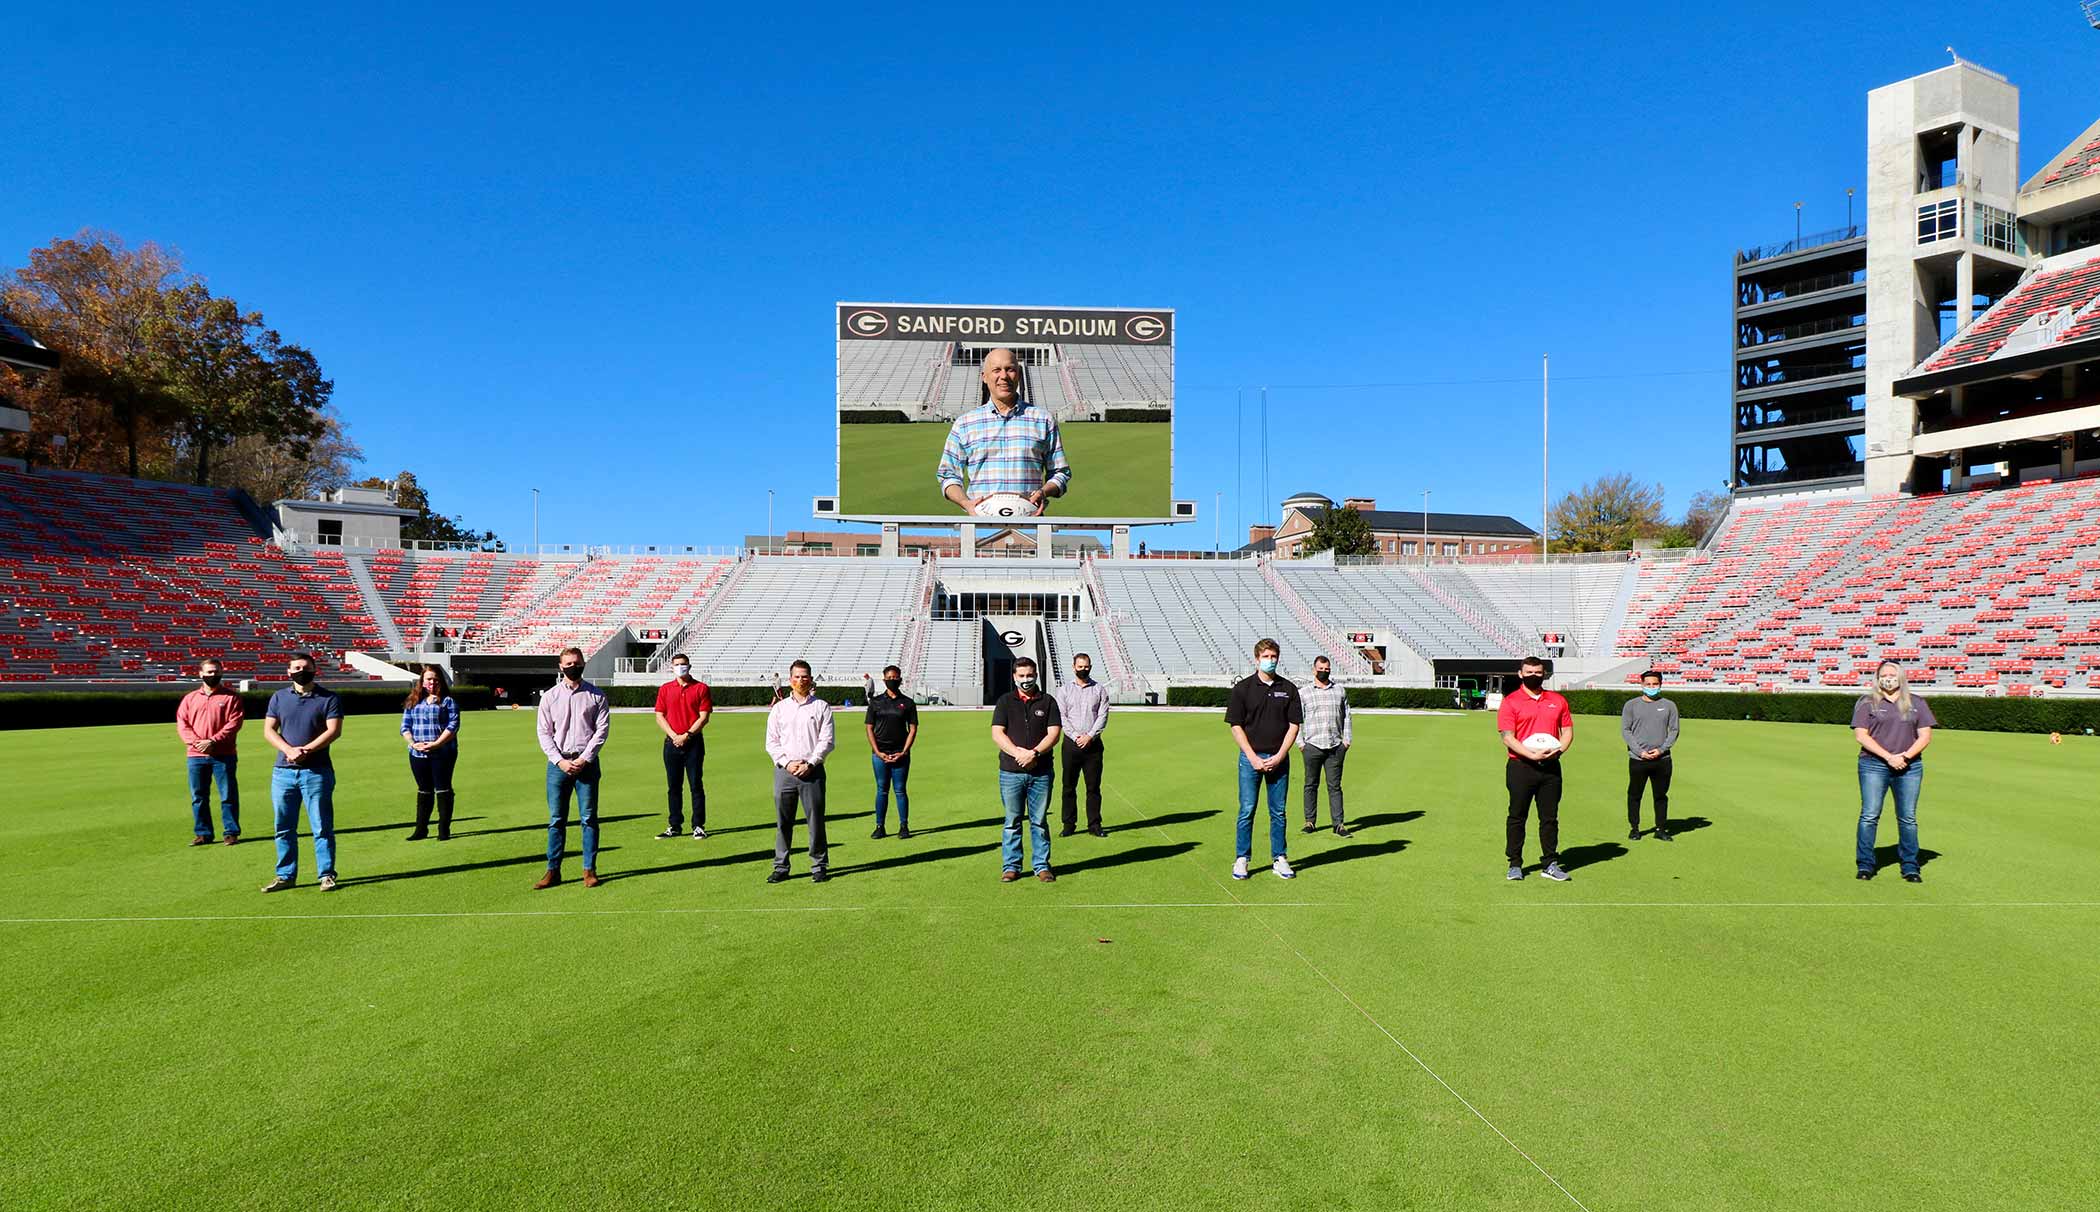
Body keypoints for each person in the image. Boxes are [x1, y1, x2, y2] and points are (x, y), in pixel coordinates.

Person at [936, 347, 1072, 514]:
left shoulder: (1043, 420)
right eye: (996, 370)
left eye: (1010, 369)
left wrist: (1044, 492)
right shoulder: (965, 424)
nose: (1004, 376)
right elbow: (947, 474)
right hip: (981, 524)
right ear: (984, 377)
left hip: (1029, 521)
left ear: (1019, 375)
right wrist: (966, 503)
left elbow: (1060, 472)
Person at [259, 653, 344, 893]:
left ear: (315, 670)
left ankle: (326, 874)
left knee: (321, 826)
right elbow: (269, 730)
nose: (301, 671)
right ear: (288, 672)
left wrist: (306, 749)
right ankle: (285, 875)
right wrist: (288, 750)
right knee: (283, 827)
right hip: (283, 772)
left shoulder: (329, 698)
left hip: (316, 771)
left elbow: (334, 731)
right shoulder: (279, 697)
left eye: (306, 667)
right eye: (296, 667)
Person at [1853, 660, 1935, 883]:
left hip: (1909, 767)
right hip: (1873, 765)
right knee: (1870, 815)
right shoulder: (1866, 702)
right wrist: (1889, 757)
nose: (1887, 678)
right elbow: (1861, 735)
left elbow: (1925, 735)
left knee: (1907, 817)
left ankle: (1910, 865)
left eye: (1892, 674)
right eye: (1883, 674)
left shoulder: (1916, 702)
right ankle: (1865, 864)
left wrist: (1905, 757)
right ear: (1877, 678)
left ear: (1901, 677)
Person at [1225, 639, 1301, 880]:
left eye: (1274, 656)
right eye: (1267, 656)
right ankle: (1242, 858)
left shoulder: (1288, 689)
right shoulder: (1243, 689)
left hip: (1279, 760)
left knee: (1278, 811)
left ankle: (1279, 858)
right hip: (1250, 760)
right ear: (1257, 659)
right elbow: (1236, 726)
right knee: (1247, 809)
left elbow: (1294, 725)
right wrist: (1252, 756)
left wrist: (1279, 756)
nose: (1271, 660)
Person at [535, 648, 611, 889]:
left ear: (583, 664)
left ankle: (589, 870)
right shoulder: (550, 697)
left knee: (588, 818)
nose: (573, 666)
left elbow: (602, 731)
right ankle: (552, 870)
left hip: (586, 764)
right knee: (556, 819)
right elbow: (544, 733)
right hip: (558, 764)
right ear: (560, 666)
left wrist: (585, 758)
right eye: (568, 663)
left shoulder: (596, 696)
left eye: (576, 663)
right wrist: (560, 761)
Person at [1497, 657, 1573, 882]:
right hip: (1521, 767)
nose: (1533, 675)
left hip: (1550, 767)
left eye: (1537, 672)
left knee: (1549, 818)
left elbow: (1567, 731)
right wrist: (1530, 754)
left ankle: (1549, 863)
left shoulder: (1557, 700)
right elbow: (1507, 737)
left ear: (1544, 674)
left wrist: (1559, 751)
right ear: (1520, 674)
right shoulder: (1511, 701)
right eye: (1528, 672)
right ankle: (1515, 863)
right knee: (1517, 816)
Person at [991, 657, 1062, 882]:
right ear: (1014, 677)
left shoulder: (1048, 701)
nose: (1026, 680)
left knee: (1039, 821)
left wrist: (1034, 753)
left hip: (1040, 772)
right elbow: (997, 733)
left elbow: (1054, 733)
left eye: (1030, 675)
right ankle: (1011, 866)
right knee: (1012, 821)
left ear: (1036, 675)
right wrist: (1018, 753)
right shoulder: (1004, 701)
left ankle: (1041, 865)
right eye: (1021, 676)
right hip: (1011, 772)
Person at [765, 660, 835, 883]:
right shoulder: (779, 708)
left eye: (804, 676)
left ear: (811, 679)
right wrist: (786, 763)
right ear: (790, 679)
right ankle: (781, 866)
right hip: (785, 771)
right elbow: (771, 742)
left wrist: (811, 763)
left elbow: (827, 740)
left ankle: (818, 865)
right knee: (783, 822)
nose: (800, 680)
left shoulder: (821, 707)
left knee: (815, 821)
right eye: (797, 676)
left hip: (812, 771)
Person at [176, 657, 244, 847]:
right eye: (209, 672)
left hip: (224, 754)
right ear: (201, 674)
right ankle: (203, 833)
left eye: (216, 672)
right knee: (198, 796)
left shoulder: (231, 697)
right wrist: (197, 743)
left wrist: (213, 740)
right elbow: (183, 724)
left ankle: (231, 832)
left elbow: (234, 724)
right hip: (196, 755)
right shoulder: (190, 699)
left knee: (228, 795)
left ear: (221, 673)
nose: (213, 675)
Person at [653, 653, 713, 840]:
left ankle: (698, 825)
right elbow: (659, 715)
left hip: (693, 743)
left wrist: (686, 735)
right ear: (672, 667)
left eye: (683, 664)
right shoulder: (665, 689)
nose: (680, 667)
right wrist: (674, 736)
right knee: (674, 786)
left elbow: (704, 717)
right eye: (677, 664)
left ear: (689, 666)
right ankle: (675, 824)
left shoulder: (701, 688)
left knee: (696, 785)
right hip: (671, 743)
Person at [399, 663, 461, 841]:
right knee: (424, 790)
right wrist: (413, 743)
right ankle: (421, 829)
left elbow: (453, 726)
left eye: (435, 679)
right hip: (418, 754)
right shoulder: (413, 701)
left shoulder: (448, 701)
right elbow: (405, 726)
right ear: (422, 681)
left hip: (443, 753)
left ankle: (443, 829)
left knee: (443, 789)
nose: (432, 683)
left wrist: (436, 744)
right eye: (428, 679)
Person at [1054, 652, 1109, 838]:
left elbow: (1103, 716)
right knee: (1068, 786)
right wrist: (1077, 736)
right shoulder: (1064, 690)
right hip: (1071, 745)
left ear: (1090, 667)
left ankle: (1094, 825)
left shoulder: (1099, 690)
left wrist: (1090, 736)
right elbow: (1062, 717)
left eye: (1086, 666)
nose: (1083, 669)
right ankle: (1069, 824)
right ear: (1073, 667)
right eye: (1080, 666)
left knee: (1093, 787)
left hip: (1093, 746)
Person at [1297, 655, 1353, 837]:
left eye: (1327, 669)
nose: (1324, 671)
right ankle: (1310, 821)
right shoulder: (1304, 692)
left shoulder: (1339, 691)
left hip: (1335, 746)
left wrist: (1346, 741)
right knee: (1310, 784)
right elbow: (1296, 720)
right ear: (1314, 670)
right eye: (1320, 669)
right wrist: (1300, 743)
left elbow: (1347, 716)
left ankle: (1338, 824)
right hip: (1312, 745)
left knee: (1335, 786)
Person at [1621, 670, 1679, 841]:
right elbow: (1626, 730)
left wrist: (1661, 749)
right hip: (1638, 759)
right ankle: (1635, 828)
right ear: (1642, 684)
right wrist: (1640, 752)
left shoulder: (1669, 705)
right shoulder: (1631, 705)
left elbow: (1674, 730)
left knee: (1660, 796)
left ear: (1660, 685)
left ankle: (1660, 829)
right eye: (1648, 684)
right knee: (1635, 794)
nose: (1651, 687)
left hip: (1662, 760)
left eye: (1655, 684)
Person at [864, 664, 918, 839]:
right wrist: (877, 751)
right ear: (884, 679)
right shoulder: (876, 702)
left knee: (900, 790)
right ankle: (880, 826)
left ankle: (904, 826)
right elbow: (869, 728)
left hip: (900, 754)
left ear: (900, 679)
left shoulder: (908, 703)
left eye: (896, 678)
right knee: (882, 790)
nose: (893, 681)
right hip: (880, 755)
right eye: (890, 678)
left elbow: (913, 729)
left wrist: (904, 751)